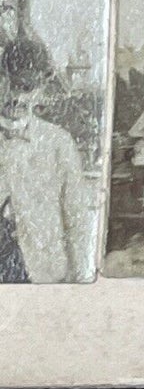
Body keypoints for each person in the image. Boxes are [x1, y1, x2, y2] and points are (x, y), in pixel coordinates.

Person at [0, 36, 90, 282]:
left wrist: (79, 283)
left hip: (42, 275)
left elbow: (77, 221)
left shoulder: (59, 144)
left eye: (27, 88)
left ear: (39, 90)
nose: (17, 97)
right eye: (11, 85)